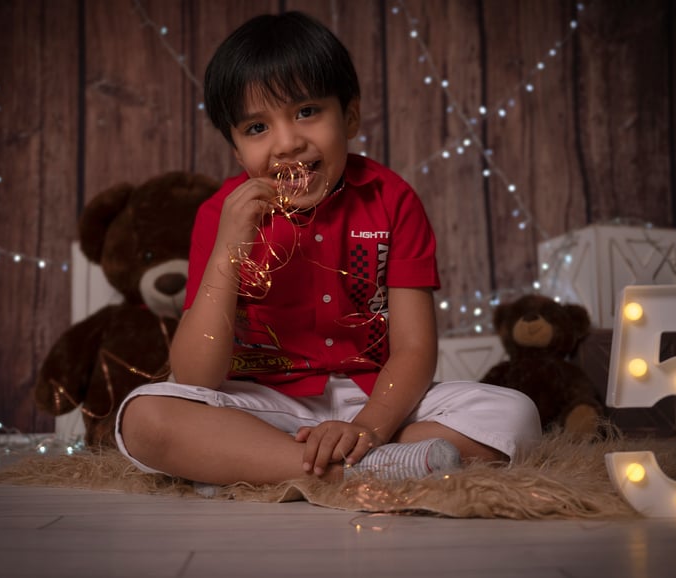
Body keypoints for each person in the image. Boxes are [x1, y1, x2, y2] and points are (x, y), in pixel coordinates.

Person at [115, 11, 541, 486]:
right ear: (236, 150)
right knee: (144, 418)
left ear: (350, 116)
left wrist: (369, 427)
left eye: (306, 112)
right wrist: (227, 251)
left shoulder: (392, 200)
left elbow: (415, 348)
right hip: (264, 405)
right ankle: (365, 469)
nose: (287, 143)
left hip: (376, 399)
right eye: (256, 128)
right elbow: (196, 377)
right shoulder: (221, 215)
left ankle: (270, 464)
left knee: (516, 414)